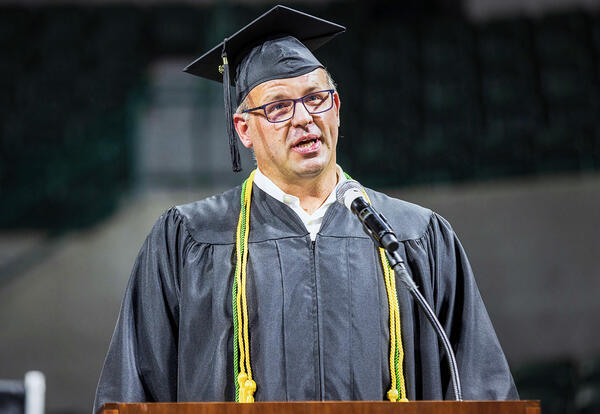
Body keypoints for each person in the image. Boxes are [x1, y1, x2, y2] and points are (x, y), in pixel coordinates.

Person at [93, 5, 518, 412]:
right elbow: (133, 391)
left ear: (337, 108)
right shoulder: (188, 239)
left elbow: (482, 386)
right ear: (244, 129)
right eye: (278, 106)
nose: (304, 118)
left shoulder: (414, 236)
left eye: (317, 98)